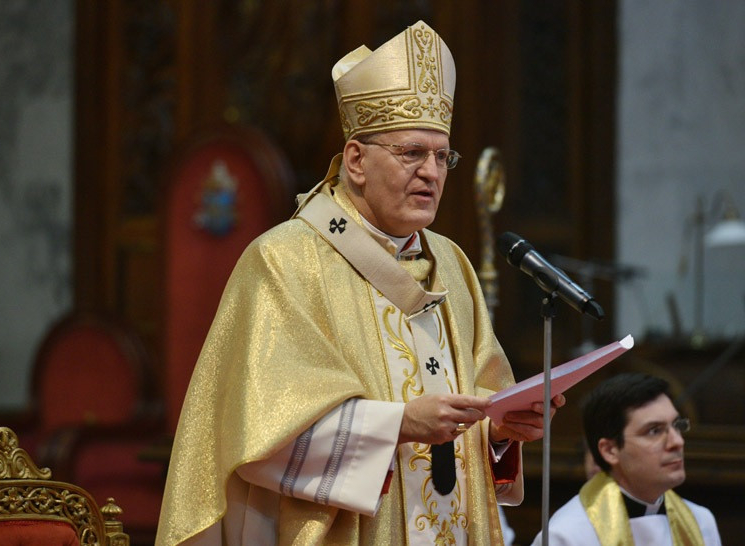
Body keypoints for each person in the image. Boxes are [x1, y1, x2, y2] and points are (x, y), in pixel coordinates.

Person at [156, 20, 563, 546]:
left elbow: (476, 404)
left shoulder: (451, 262)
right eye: (411, 153)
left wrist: (500, 431)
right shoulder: (285, 261)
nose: (432, 172)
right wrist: (398, 424)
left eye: (443, 156)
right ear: (356, 161)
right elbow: (257, 434)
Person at [532, 372, 722, 545]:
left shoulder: (700, 522)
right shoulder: (567, 535)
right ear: (610, 450)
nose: (677, 441)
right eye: (654, 431)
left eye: (677, 425)